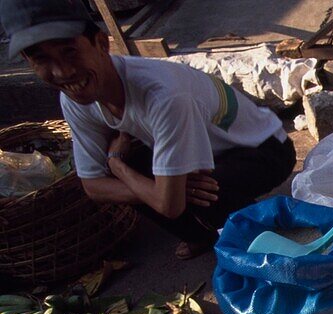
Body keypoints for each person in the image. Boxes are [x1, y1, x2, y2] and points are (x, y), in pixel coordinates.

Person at [1, 0, 296, 259]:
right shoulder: (73, 97)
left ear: (101, 43)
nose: (62, 72)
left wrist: (117, 166)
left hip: (264, 147)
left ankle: (272, 243)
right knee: (151, 178)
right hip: (202, 153)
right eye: (41, 59)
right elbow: (93, 186)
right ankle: (202, 233)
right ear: (29, 62)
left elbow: (167, 204)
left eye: (70, 52)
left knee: (195, 191)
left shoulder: (162, 95)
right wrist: (156, 188)